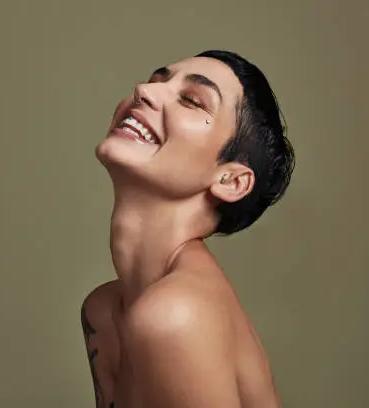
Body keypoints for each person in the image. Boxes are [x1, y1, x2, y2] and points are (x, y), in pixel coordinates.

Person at [80, 50, 295, 408]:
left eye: (192, 101)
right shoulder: (103, 311)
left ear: (230, 179)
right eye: (156, 80)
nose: (143, 91)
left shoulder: (176, 315)